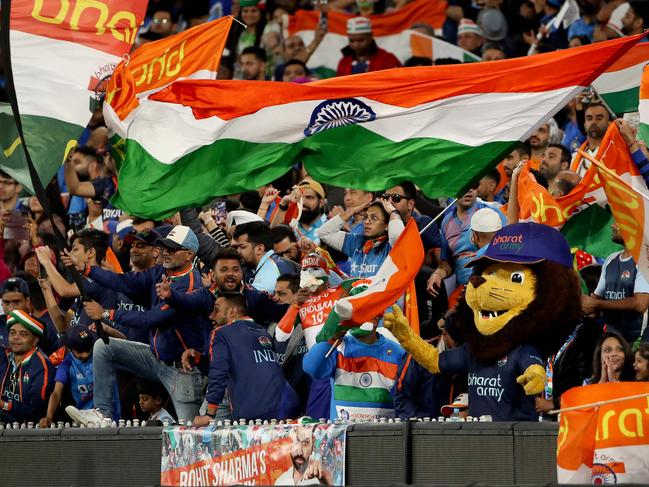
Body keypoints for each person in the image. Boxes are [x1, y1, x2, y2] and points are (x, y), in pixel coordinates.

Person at [65, 225, 207, 424]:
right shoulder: (161, 272)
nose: (166, 253)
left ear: (189, 254)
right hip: (155, 358)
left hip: (181, 371)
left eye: (172, 249)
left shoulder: (191, 285)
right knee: (105, 348)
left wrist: (106, 313)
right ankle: (102, 414)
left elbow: (150, 319)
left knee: (191, 434)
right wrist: (86, 269)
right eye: (165, 247)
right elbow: (125, 281)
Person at [192, 293, 300, 426]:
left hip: (257, 414)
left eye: (216, 309)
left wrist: (209, 414)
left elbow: (218, 373)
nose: (211, 315)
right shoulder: (262, 331)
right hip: (290, 408)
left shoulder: (221, 333)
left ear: (232, 311)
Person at [303, 311, 405, 421]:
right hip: (343, 436)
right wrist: (331, 337)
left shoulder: (397, 352)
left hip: (382, 435)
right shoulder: (338, 347)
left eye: (360, 313)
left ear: (377, 317)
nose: (355, 319)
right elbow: (312, 368)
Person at [427, 188, 506, 294]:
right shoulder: (446, 222)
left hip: (493, 290)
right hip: (462, 292)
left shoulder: (492, 214)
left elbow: (507, 249)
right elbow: (447, 262)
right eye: (464, 185)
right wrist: (437, 274)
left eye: (473, 185)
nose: (468, 190)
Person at [40, 326, 120, 427]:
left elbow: (123, 342)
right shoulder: (66, 364)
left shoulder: (102, 355)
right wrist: (49, 417)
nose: (85, 354)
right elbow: (56, 393)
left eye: (87, 349)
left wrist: (107, 329)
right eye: (80, 351)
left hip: (111, 418)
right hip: (84, 421)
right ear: (69, 349)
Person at [581, 224, 649, 344]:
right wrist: (587, 305)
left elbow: (640, 303)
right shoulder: (610, 260)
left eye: (617, 222)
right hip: (611, 339)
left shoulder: (645, 259)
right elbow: (598, 301)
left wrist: (597, 304)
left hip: (637, 342)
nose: (612, 226)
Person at [319, 199, 404, 278]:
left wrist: (394, 212)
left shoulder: (391, 247)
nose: (367, 221)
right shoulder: (356, 242)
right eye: (366, 217)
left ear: (386, 225)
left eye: (374, 218)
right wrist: (351, 212)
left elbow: (397, 235)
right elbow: (324, 232)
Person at [0, 310, 55, 424]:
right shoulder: (3, 357)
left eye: (23, 334)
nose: (16, 337)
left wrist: (6, 406)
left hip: (31, 430)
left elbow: (36, 408)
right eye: (12, 333)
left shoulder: (42, 366)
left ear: (35, 340)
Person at [381, 182, 442, 266]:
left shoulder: (424, 223)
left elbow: (437, 260)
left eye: (396, 198)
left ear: (410, 204)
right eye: (386, 197)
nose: (389, 201)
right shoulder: (379, 222)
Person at [234, 221, 299, 293]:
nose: (238, 251)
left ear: (260, 249)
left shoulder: (269, 274)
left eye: (242, 247)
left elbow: (249, 302)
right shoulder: (261, 265)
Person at [0, 277, 60, 355]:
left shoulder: (41, 329)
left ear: (27, 301)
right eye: (7, 303)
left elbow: (55, 358)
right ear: (2, 303)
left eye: (16, 302)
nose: (11, 308)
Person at [336, 17, 401, 76]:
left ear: (370, 36)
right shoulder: (344, 62)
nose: (356, 45)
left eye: (360, 40)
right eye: (352, 41)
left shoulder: (387, 59)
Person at [570, 103, 611, 177]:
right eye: (589, 118)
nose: (594, 122)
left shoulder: (617, 152)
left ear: (609, 123)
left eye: (599, 118)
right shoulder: (575, 157)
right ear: (584, 125)